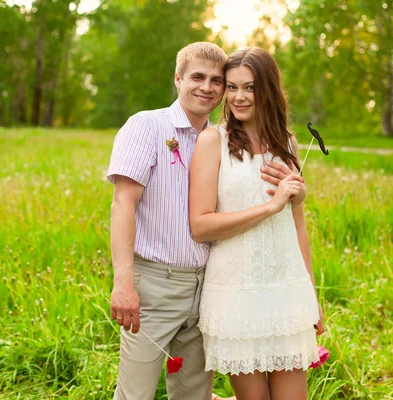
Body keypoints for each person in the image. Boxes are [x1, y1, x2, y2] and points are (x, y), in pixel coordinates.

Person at [106, 42, 304, 400]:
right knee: (135, 393)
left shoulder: (219, 137)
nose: (207, 87)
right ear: (178, 78)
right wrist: (124, 282)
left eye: (217, 80)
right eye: (197, 77)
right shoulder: (147, 126)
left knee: (194, 393)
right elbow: (123, 204)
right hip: (156, 283)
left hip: (209, 283)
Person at [189, 47, 325, 400]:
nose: (238, 96)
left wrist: (311, 295)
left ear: (268, 89)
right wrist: (270, 207)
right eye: (231, 87)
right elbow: (201, 225)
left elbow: (298, 227)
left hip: (286, 291)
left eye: (248, 87)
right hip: (236, 294)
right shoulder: (212, 141)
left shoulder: (289, 144)